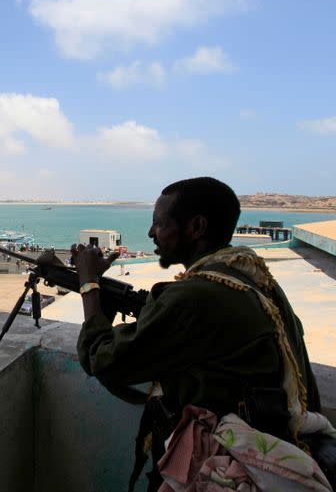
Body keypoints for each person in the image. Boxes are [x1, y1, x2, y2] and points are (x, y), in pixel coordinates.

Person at [72, 177, 328, 491]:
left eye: (159, 224)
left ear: (196, 227)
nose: (152, 233)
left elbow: (102, 359)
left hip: (217, 469)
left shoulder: (196, 295)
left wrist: (89, 283)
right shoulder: (252, 277)